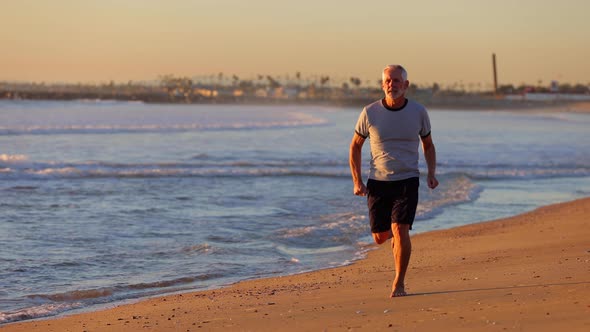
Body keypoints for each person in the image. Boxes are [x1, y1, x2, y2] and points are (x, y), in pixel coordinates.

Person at [349, 64, 438, 298]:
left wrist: (431, 173)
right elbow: (355, 146)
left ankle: (399, 283)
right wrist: (357, 181)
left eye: (397, 81)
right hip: (378, 181)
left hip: (407, 179)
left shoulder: (419, 112)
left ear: (406, 85)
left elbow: (428, 145)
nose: (392, 85)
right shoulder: (370, 112)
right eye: (388, 81)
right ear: (382, 84)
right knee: (380, 237)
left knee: (400, 229)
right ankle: (397, 241)